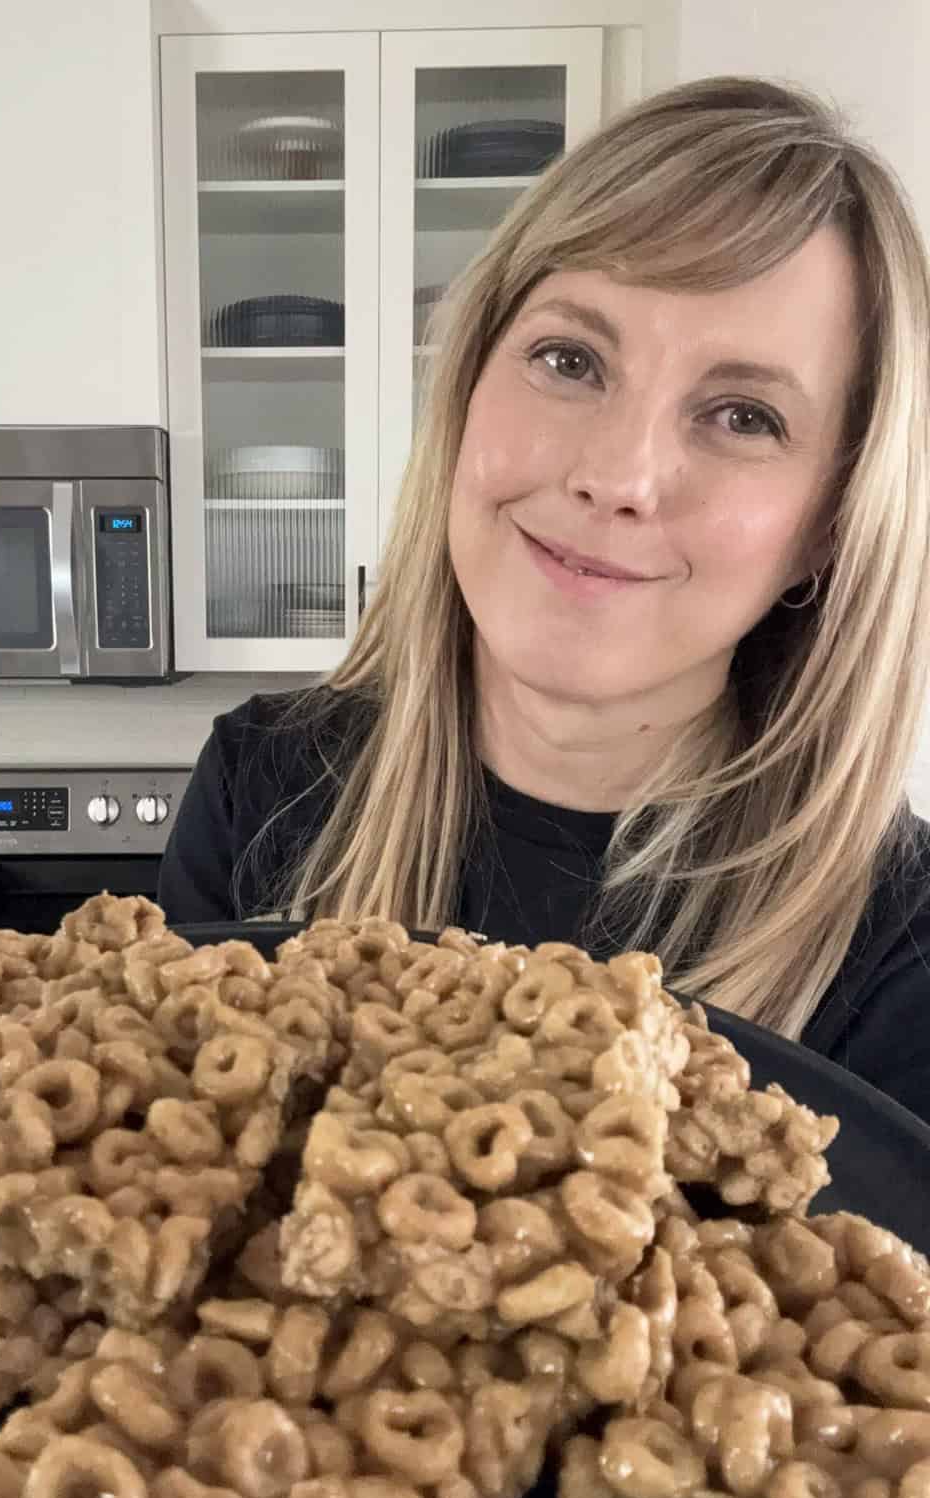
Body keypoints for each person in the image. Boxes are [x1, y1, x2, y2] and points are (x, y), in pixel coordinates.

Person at [158, 74, 930, 1123]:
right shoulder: (263, 792)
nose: (618, 476)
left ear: (831, 525)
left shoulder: (900, 953)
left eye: (743, 416)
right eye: (570, 359)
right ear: (469, 387)